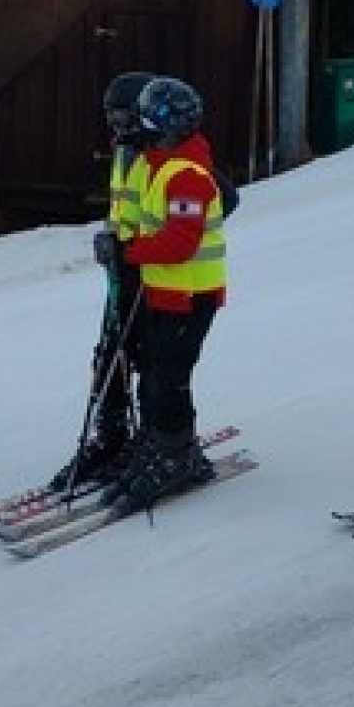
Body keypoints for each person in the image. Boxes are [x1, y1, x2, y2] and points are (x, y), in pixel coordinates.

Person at [96, 76, 227, 514]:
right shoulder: (159, 161)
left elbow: (180, 242)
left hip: (191, 294)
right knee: (157, 374)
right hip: (166, 292)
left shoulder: (187, 172)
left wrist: (129, 251)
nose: (140, 128)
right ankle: (169, 446)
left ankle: (175, 453)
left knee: (166, 377)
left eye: (149, 120)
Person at [50, 71, 156, 491]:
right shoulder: (124, 154)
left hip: (152, 273)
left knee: (147, 359)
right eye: (110, 119)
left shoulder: (162, 154)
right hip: (122, 271)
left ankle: (152, 438)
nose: (115, 129)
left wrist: (154, 246)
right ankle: (111, 435)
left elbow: (216, 201)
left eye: (122, 119)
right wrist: (112, 239)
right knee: (109, 355)